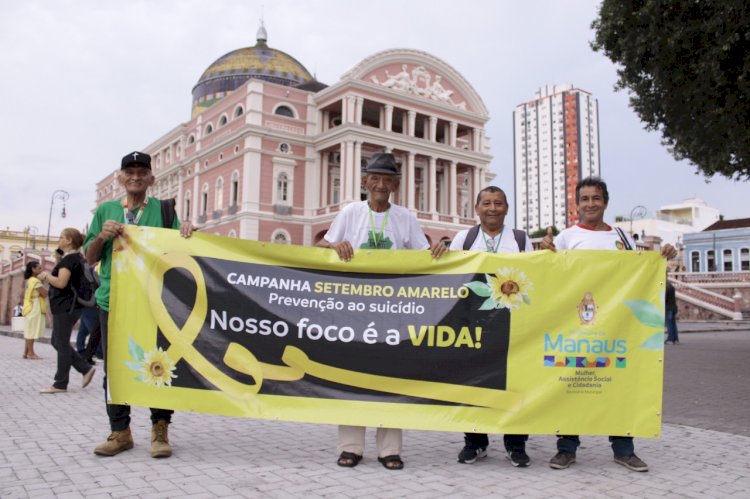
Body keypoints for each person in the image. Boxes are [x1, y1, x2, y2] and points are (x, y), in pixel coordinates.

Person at [317, 152, 447, 470]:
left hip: (393, 313)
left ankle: (390, 449)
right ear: (365, 181)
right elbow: (321, 248)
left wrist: (440, 249)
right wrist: (334, 246)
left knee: (391, 379)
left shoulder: (405, 217)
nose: (380, 184)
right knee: (351, 377)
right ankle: (351, 447)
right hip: (354, 311)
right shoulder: (350, 212)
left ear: (395, 184)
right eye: (374, 178)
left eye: (387, 179)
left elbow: (423, 256)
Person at [540, 176, 677, 473]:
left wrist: (663, 257)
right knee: (572, 384)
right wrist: (545, 249)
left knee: (618, 383)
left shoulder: (622, 238)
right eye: (585, 198)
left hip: (616, 327)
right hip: (573, 327)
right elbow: (548, 275)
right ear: (577, 204)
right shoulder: (565, 237)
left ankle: (624, 450)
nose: (590, 204)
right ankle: (566, 449)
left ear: (605, 202)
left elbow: (641, 275)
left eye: (596, 198)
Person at [84, 151, 194, 459]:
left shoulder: (165, 209)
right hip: (113, 301)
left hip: (155, 301)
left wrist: (187, 233)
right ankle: (120, 432)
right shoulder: (105, 210)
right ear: (121, 177)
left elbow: (180, 253)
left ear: (151, 178)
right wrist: (102, 238)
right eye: (129, 171)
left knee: (160, 363)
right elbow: (90, 258)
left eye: (141, 171)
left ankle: (160, 430)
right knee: (116, 368)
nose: (135, 176)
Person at [449, 186, 533, 468]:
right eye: (486, 203)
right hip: (472, 323)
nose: (492, 208)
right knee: (474, 382)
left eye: (498, 203)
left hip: (512, 324)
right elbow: (450, 278)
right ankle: (475, 442)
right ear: (477, 208)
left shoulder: (520, 239)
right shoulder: (464, 238)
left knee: (515, 382)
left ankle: (516, 443)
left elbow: (535, 276)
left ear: (507, 208)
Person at [38, 228, 97, 394]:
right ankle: (85, 368)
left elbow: (61, 282)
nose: (59, 240)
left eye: (61, 237)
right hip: (69, 306)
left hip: (66, 306)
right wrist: (58, 252)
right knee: (56, 342)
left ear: (69, 240)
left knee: (62, 344)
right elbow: (58, 257)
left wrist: (45, 276)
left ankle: (60, 383)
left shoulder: (69, 260)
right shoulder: (74, 257)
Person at [22, 262, 47, 360]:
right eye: (39, 268)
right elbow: (44, 294)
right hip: (34, 307)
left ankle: (26, 351)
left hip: (30, 305)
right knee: (31, 330)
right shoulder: (35, 281)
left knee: (29, 329)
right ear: (33, 269)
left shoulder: (29, 280)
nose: (41, 270)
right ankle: (31, 353)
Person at [665, 280, 679, 344]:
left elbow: (665, 298)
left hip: (668, 308)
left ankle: (670, 339)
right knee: (673, 324)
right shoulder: (671, 286)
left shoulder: (666, 287)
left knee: (669, 324)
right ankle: (675, 339)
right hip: (674, 307)